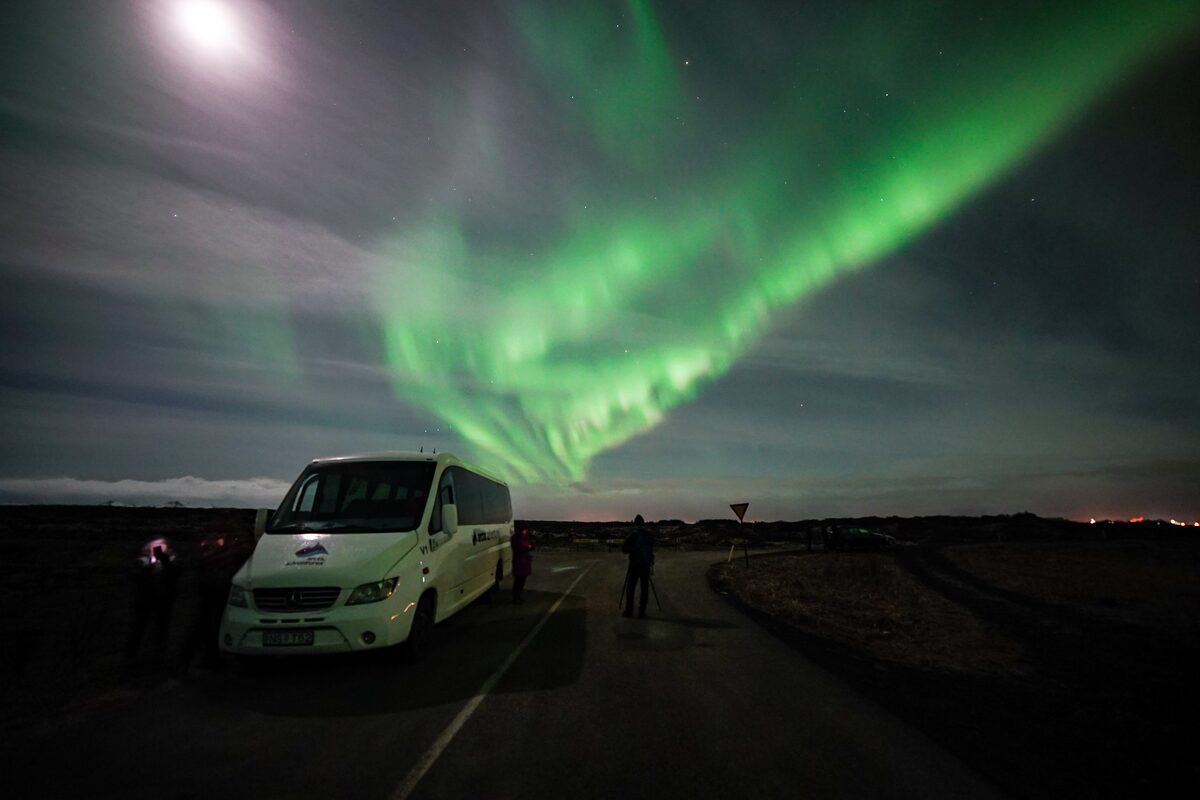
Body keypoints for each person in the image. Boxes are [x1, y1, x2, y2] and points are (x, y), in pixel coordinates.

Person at [125, 539, 180, 666]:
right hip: (145, 601)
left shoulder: (171, 560)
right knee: (138, 628)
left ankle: (158, 657)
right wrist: (149, 567)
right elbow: (136, 578)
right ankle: (131, 657)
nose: (158, 549)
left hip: (164, 601)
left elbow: (175, 574)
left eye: (161, 546)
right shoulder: (142, 561)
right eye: (155, 547)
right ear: (148, 548)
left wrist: (165, 561)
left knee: (161, 630)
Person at [621, 514, 654, 618]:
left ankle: (629, 611)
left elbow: (624, 549)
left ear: (635, 524)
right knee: (644, 589)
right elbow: (651, 549)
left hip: (635, 565)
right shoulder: (649, 535)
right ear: (643, 524)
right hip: (646, 565)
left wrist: (632, 550)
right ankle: (642, 612)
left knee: (631, 588)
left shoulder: (633, 535)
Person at [511, 527, 533, 604]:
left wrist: (528, 547)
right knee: (518, 581)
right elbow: (519, 548)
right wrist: (527, 547)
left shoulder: (524, 537)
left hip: (524, 562)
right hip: (519, 562)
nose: (525, 531)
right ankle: (516, 598)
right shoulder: (516, 538)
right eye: (524, 530)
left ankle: (519, 597)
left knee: (522, 581)